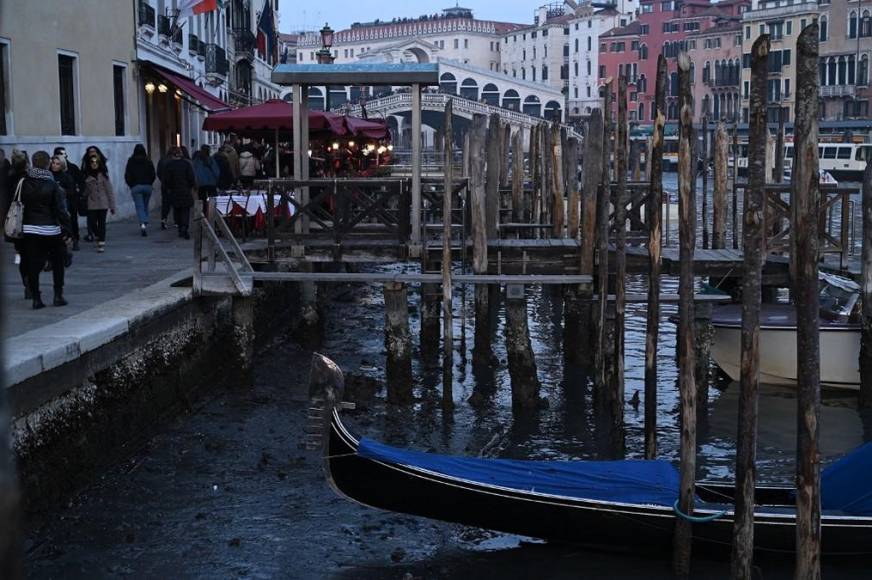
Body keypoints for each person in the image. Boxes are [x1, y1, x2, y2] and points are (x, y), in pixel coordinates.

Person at [20, 151, 71, 309]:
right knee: (57, 262)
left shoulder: (24, 182)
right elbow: (60, 209)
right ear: (47, 163)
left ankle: (36, 298)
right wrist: (68, 227)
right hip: (50, 229)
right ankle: (58, 295)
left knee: (33, 264)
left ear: (33, 163)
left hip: (30, 228)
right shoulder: (52, 183)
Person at [83, 152, 116, 252]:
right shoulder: (87, 176)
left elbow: (109, 191)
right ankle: (97, 234)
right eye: (92, 162)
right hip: (92, 203)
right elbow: (86, 191)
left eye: (96, 162)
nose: (94, 164)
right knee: (92, 222)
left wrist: (112, 206)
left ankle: (101, 243)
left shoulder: (104, 176)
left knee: (102, 223)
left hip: (103, 203)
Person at [162, 147, 196, 239]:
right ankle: (184, 226)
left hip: (174, 191)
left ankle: (180, 226)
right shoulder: (186, 164)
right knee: (185, 210)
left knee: (177, 210)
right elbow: (191, 178)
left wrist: (168, 188)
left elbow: (166, 180)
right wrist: (190, 186)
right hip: (185, 190)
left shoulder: (169, 165)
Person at [54, 147, 83, 250]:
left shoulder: (72, 168)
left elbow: (79, 182)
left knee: (72, 221)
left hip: (70, 201)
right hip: (55, 204)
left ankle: (75, 239)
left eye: (64, 154)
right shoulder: (49, 173)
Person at [124, 144, 156, 236]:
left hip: (136, 186)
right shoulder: (148, 161)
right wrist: (150, 183)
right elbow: (153, 174)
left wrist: (131, 184)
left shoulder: (131, 161)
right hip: (147, 186)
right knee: (145, 205)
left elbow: (127, 174)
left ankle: (143, 223)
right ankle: (144, 221)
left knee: (139, 206)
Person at [156, 150, 173, 230]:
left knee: (165, 203)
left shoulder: (162, 160)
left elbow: (158, 172)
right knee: (177, 204)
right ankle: (177, 222)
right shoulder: (175, 161)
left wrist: (162, 180)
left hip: (165, 185)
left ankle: (164, 219)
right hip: (175, 186)